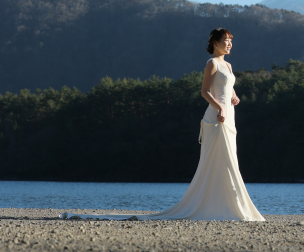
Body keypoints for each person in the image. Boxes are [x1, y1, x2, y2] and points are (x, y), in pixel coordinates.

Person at [61, 28, 264, 221]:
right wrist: (219, 107)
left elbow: (227, 87)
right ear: (215, 43)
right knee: (217, 159)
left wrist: (234, 96)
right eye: (226, 41)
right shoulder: (212, 63)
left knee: (229, 159)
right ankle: (216, 206)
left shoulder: (228, 66)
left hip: (228, 116)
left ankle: (228, 205)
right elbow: (205, 91)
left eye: (231, 41)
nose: (229, 44)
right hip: (217, 117)